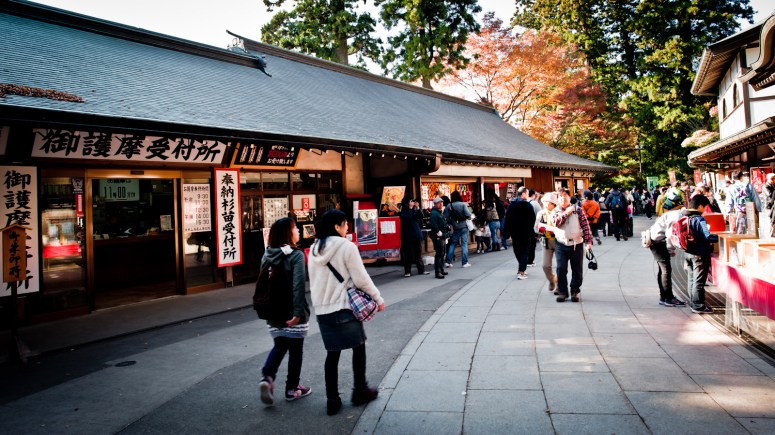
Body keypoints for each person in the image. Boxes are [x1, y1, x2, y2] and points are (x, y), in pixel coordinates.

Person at [308, 210, 385, 415]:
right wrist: (378, 298)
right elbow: (361, 279)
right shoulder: (347, 246)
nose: (347, 227)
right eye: (345, 224)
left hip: (323, 310)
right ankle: (360, 390)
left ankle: (332, 399)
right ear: (337, 226)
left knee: (332, 354)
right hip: (343, 307)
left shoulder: (314, 249)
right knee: (358, 347)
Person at [258, 218, 311, 406]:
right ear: (288, 233)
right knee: (296, 350)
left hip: (272, 311)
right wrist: (297, 312)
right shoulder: (296, 255)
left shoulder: (267, 255)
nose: (298, 231)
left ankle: (267, 377)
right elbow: (298, 286)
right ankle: (292, 388)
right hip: (291, 311)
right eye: (295, 228)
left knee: (280, 345)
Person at [550, 189, 593, 302]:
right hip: (561, 243)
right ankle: (562, 292)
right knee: (561, 268)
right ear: (557, 199)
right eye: (560, 196)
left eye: (565, 196)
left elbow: (585, 226)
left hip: (576, 244)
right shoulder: (555, 211)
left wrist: (588, 241)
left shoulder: (578, 210)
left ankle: (575, 290)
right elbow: (556, 223)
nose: (563, 198)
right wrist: (566, 213)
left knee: (577, 269)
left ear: (569, 197)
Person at [646, 196, 687, 307]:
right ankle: (668, 298)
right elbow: (670, 235)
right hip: (659, 242)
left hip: (655, 241)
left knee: (663, 270)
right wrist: (671, 250)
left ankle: (664, 297)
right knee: (666, 270)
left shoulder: (670, 213)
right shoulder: (675, 215)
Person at [681, 195, 719, 314]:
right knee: (699, 280)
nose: (706, 209)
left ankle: (693, 302)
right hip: (699, 253)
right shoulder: (699, 219)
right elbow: (707, 236)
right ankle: (698, 305)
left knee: (692, 278)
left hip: (688, 252)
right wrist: (717, 238)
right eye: (705, 207)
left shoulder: (686, 217)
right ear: (700, 206)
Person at [503, 187, 536, 280]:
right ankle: (521, 271)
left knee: (517, 250)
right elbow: (532, 219)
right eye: (527, 193)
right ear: (523, 194)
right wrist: (532, 231)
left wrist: (506, 232)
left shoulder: (511, 205)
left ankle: (521, 267)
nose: (528, 195)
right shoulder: (528, 206)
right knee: (525, 251)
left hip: (515, 232)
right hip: (526, 232)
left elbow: (507, 219)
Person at [535, 192, 559, 294]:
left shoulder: (559, 212)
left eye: (547, 202)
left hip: (558, 241)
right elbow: (535, 227)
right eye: (544, 201)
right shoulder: (541, 213)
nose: (545, 204)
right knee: (545, 265)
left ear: (553, 203)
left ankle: (559, 286)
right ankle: (552, 279)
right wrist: (539, 229)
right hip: (546, 241)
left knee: (560, 265)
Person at [399, 197, 428, 277]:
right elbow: (408, 217)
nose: (412, 203)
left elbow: (421, 216)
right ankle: (407, 271)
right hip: (408, 236)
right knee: (408, 254)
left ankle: (421, 270)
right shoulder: (402, 212)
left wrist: (418, 208)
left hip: (416, 234)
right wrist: (411, 208)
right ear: (407, 203)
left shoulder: (414, 210)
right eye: (411, 201)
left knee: (418, 254)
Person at [726, 170, 762, 234]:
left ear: (734, 179)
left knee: (741, 233)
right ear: (742, 177)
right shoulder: (749, 186)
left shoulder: (731, 188)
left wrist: (727, 213)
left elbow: (729, 202)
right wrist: (759, 209)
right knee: (753, 233)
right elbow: (756, 199)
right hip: (751, 211)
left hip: (739, 212)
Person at [445, 191, 473, 268]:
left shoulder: (449, 205)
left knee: (453, 244)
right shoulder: (463, 204)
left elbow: (446, 217)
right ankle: (464, 262)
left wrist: (452, 222)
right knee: (464, 244)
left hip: (455, 227)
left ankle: (448, 261)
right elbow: (468, 215)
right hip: (464, 226)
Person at [429, 197, 450, 279]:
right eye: (438, 203)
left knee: (442, 253)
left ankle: (441, 269)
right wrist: (438, 231)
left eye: (441, 202)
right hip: (438, 236)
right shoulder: (434, 213)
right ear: (435, 204)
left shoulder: (439, 212)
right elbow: (434, 224)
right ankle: (437, 272)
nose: (440, 204)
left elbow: (443, 222)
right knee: (439, 254)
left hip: (443, 235)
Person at [527, 189, 542, 266]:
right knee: (532, 244)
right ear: (533, 195)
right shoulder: (535, 203)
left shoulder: (521, 203)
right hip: (532, 227)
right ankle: (530, 261)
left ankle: (523, 261)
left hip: (522, 228)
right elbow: (540, 215)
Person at [761, 173, 775, 239]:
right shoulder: (766, 186)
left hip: (772, 206)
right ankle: (770, 235)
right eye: (772, 179)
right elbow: (769, 195)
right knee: (770, 221)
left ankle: (772, 234)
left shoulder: (773, 186)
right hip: (768, 206)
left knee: (772, 221)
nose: (773, 180)